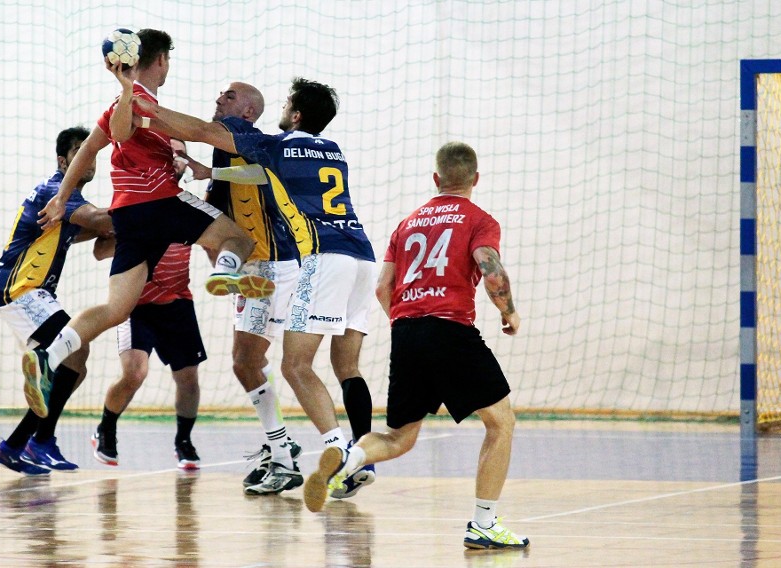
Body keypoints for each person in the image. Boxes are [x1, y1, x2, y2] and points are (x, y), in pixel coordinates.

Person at [133, 77, 378, 499]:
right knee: (322, 365)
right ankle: (331, 453)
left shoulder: (266, 143)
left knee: (294, 365)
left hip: (302, 262)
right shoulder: (331, 151)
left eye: (227, 95)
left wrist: (146, 108)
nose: (217, 97)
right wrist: (211, 172)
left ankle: (340, 455)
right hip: (361, 256)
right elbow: (257, 172)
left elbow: (200, 130)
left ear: (294, 114)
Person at [21, 29, 275, 418]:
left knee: (115, 308)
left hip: (127, 215)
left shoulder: (122, 102)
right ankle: (226, 274)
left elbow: (92, 146)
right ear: (161, 61)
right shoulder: (140, 100)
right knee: (238, 239)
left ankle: (50, 357)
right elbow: (153, 129)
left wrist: (60, 197)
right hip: (161, 202)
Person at [302, 142, 529, 550]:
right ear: (475, 179)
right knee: (501, 423)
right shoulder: (479, 219)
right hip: (450, 330)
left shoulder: (407, 224)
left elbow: (383, 287)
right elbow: (489, 268)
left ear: (436, 178)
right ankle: (484, 524)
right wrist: (508, 310)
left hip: (406, 331)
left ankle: (350, 460)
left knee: (398, 436)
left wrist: (406, 323)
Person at [177, 83, 304, 494]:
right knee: (253, 360)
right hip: (257, 265)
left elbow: (259, 174)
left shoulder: (244, 136)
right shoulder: (224, 146)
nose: (218, 98)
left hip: (270, 263)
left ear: (248, 111)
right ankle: (281, 445)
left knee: (244, 361)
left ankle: (282, 454)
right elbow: (218, 214)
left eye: (229, 96)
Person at [0, 126, 112, 475]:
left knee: (76, 361)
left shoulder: (67, 199)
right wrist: (147, 208)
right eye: (80, 151)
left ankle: (22, 443)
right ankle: (33, 441)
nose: (89, 158)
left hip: (34, 292)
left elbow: (99, 234)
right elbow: (100, 221)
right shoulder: (57, 190)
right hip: (18, 289)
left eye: (93, 152)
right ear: (64, 160)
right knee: (75, 351)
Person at [91, 138, 205, 470]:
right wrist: (135, 236)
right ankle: (106, 428)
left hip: (177, 303)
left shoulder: (192, 208)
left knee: (188, 379)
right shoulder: (134, 205)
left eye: (180, 154)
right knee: (135, 372)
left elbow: (217, 247)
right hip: (137, 304)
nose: (174, 159)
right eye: (168, 152)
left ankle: (183, 441)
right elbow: (100, 251)